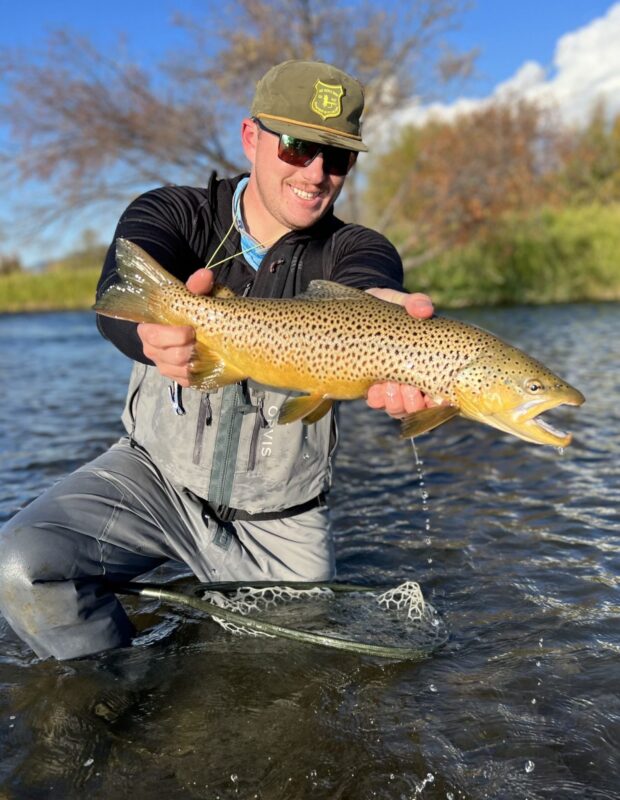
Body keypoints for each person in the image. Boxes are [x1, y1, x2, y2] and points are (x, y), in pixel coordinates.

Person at [0, 59, 434, 661]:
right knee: (21, 563)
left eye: (337, 157)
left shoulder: (355, 247)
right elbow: (117, 297)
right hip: (153, 481)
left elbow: (370, 283)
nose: (316, 173)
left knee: (291, 682)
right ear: (251, 138)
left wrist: (382, 314)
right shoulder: (174, 214)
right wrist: (147, 336)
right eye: (297, 146)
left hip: (283, 518)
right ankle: (116, 692)